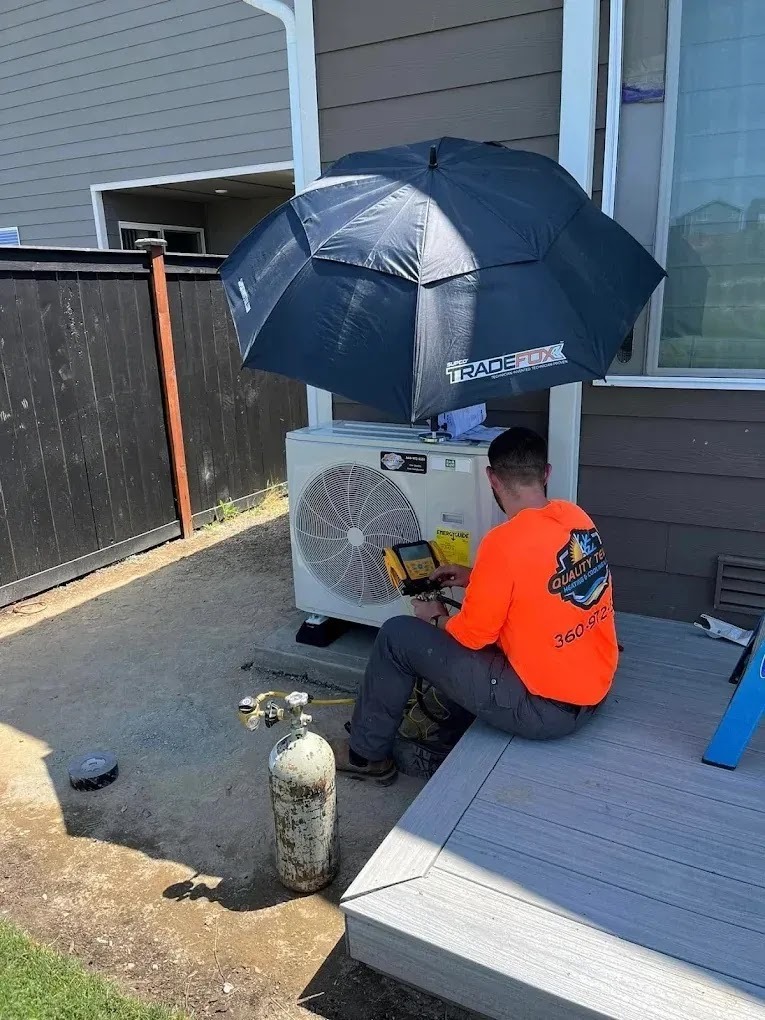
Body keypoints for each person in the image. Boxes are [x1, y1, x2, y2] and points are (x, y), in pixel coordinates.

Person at [331, 426, 619, 782]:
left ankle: (365, 756)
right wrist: (475, 576)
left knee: (397, 635)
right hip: (595, 690)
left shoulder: (503, 543)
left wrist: (434, 618)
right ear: (546, 473)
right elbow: (547, 580)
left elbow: (472, 637)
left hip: (546, 711)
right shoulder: (576, 517)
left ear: (492, 479)